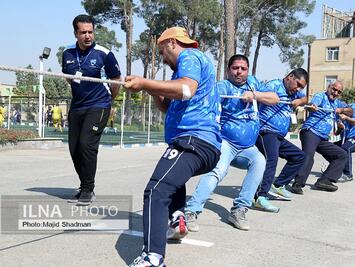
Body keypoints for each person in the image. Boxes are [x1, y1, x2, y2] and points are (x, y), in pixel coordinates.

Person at [124, 27, 221, 267]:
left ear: (171, 43)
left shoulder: (190, 57)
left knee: (156, 191)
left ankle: (152, 258)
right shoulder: (184, 70)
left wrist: (145, 80)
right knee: (172, 179)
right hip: (199, 143)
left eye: (162, 51)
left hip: (194, 140)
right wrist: (149, 88)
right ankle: (177, 219)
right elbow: (169, 107)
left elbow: (185, 89)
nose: (163, 57)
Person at [184, 55, 279, 232]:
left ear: (248, 70)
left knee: (259, 162)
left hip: (247, 148)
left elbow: (275, 98)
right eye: (235, 68)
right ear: (228, 70)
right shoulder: (222, 87)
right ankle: (191, 211)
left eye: (243, 69)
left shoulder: (252, 83)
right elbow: (204, 105)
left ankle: (239, 210)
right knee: (217, 171)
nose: (239, 72)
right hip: (226, 143)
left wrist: (255, 95)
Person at [62, 14, 121, 206]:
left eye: (90, 32)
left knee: (86, 144)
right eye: (83, 32)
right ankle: (83, 185)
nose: (88, 36)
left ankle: (88, 189)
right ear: (75, 33)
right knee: (74, 148)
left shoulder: (104, 53)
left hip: (99, 105)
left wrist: (109, 100)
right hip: (77, 106)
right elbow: (68, 78)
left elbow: (116, 80)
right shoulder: (68, 54)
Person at [254, 69, 308, 207]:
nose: (299, 89)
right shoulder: (273, 86)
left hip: (279, 135)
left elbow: (307, 98)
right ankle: (259, 196)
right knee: (271, 160)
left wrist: (300, 100)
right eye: (298, 84)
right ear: (290, 77)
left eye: (302, 87)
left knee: (299, 156)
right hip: (265, 131)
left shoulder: (294, 92)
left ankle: (278, 185)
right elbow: (258, 96)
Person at [289, 81, 353, 194]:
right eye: (334, 89)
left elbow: (351, 111)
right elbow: (311, 106)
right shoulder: (320, 96)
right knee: (308, 156)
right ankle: (297, 184)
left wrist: (342, 110)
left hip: (323, 138)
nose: (335, 92)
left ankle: (324, 181)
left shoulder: (337, 103)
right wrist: (312, 107)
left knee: (341, 155)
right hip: (311, 132)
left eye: (339, 91)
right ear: (329, 87)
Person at [336, 103, 355, 182]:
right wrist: (340, 128)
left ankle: (348, 175)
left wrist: (346, 118)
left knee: (345, 149)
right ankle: (335, 170)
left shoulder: (354, 107)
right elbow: (337, 133)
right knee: (333, 149)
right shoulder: (339, 114)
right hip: (347, 139)